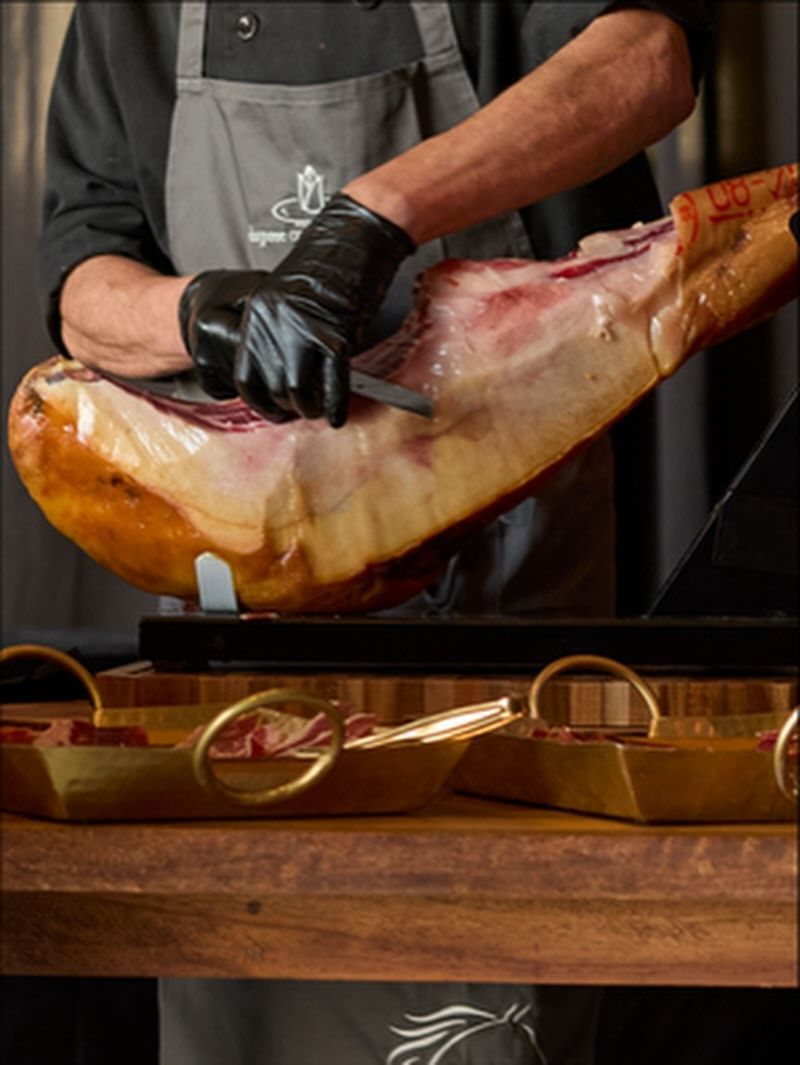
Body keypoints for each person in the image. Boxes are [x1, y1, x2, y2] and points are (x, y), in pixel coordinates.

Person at [37, 2, 711, 1063]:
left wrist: (371, 218)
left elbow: (647, 60)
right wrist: (201, 313)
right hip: (248, 673)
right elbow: (82, 282)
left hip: (504, 635)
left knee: (480, 1018)